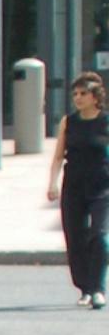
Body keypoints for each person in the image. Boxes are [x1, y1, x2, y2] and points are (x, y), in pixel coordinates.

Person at [48, 72, 109, 310]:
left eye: (83, 93)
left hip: (101, 186)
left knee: (99, 235)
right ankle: (85, 289)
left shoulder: (105, 122)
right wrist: (52, 183)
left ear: (95, 97)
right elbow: (57, 157)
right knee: (75, 238)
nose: (78, 98)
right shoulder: (69, 122)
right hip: (73, 186)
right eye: (75, 94)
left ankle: (98, 288)